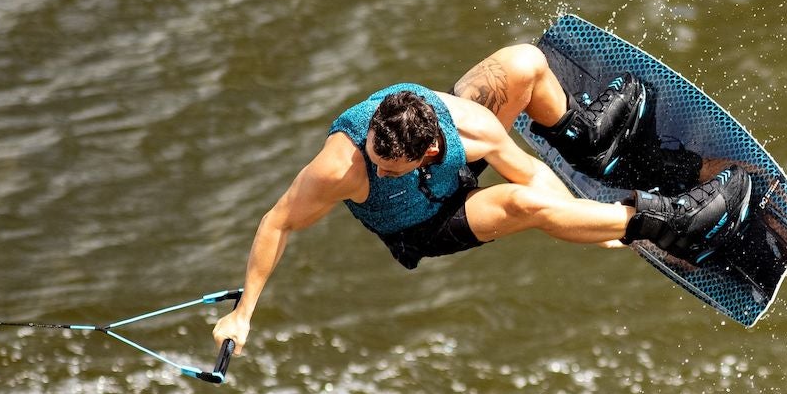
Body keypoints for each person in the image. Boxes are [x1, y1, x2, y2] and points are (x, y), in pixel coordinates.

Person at [210, 41, 754, 357]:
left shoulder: (469, 128)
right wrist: (244, 312)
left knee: (523, 63)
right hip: (422, 224)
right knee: (521, 206)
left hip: (453, 172)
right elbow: (276, 222)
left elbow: (531, 170)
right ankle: (672, 222)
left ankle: (591, 145)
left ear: (428, 149)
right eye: (375, 154)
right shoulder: (343, 165)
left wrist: (584, 216)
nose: (374, 167)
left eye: (387, 165)